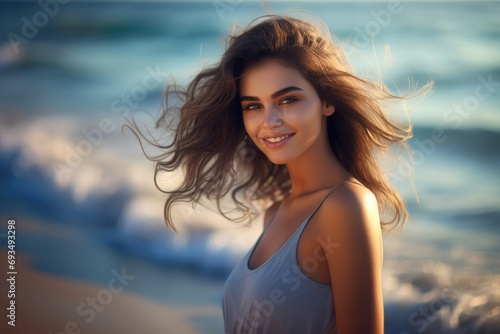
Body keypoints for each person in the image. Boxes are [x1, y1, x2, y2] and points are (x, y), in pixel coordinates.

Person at [131, 14, 430, 334]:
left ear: (326, 100)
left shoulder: (346, 205)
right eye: (253, 106)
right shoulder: (275, 212)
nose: (269, 121)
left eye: (287, 100)